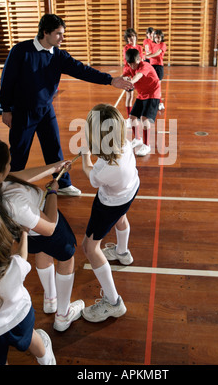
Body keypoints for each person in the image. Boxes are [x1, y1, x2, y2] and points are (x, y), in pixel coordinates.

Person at [0, 13, 133, 197]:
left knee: (54, 147)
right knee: (19, 152)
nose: (63, 38)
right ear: (45, 33)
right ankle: (6, 187)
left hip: (46, 109)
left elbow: (82, 70)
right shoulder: (21, 51)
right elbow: (7, 81)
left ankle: (62, 183)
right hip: (23, 112)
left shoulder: (58, 55)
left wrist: (110, 80)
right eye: (59, 34)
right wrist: (6, 108)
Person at [0, 138, 84, 333]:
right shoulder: (14, 202)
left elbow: (19, 176)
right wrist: (52, 192)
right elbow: (49, 227)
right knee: (66, 259)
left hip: (28, 234)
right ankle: (63, 315)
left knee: (42, 252)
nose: (11, 165)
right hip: (45, 225)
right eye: (8, 163)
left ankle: (50, 299)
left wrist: (54, 167)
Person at [0, 199, 56, 365]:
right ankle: (46, 360)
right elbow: (21, 256)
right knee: (34, 338)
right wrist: (25, 233)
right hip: (19, 317)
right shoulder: (13, 267)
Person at [81, 104, 139, 322]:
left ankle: (113, 303)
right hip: (129, 190)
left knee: (89, 247)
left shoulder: (105, 169)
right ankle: (122, 253)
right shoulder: (124, 142)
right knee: (121, 218)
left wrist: (85, 153)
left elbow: (90, 174)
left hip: (109, 203)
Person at [123, 48, 161, 156]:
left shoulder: (145, 66)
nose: (132, 66)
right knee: (132, 117)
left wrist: (130, 82)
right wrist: (112, 81)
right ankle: (137, 139)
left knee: (144, 118)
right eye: (130, 64)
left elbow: (138, 76)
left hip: (153, 94)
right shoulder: (129, 67)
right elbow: (123, 76)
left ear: (139, 59)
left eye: (134, 64)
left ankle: (146, 145)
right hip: (142, 94)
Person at [122, 28, 144, 128]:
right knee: (129, 96)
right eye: (129, 37)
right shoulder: (126, 48)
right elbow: (128, 61)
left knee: (140, 95)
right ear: (127, 39)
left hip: (138, 74)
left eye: (133, 36)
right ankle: (129, 118)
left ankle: (137, 116)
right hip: (129, 74)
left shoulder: (139, 47)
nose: (132, 38)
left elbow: (141, 60)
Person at [144, 29, 166, 110]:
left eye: (159, 37)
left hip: (159, 67)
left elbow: (158, 53)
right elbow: (148, 53)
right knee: (152, 85)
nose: (157, 39)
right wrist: (142, 56)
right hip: (152, 66)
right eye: (156, 37)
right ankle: (153, 102)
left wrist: (148, 56)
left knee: (158, 85)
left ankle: (160, 102)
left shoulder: (163, 44)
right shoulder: (152, 44)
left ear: (162, 37)